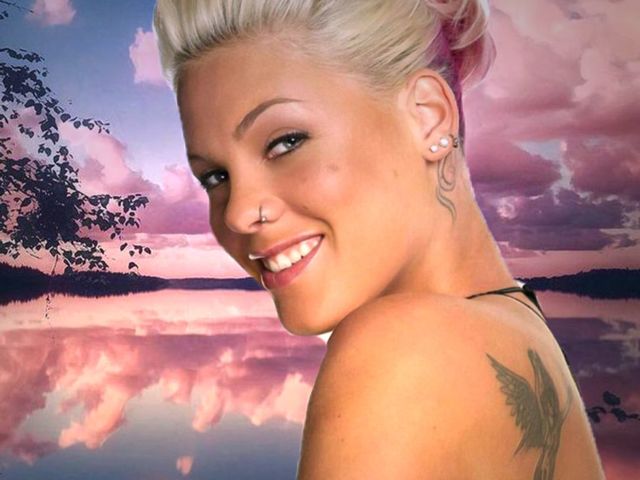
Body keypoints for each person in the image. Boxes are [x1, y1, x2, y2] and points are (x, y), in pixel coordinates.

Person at [153, 1, 605, 478]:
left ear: (428, 117)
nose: (239, 213)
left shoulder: (401, 350)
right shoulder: (518, 322)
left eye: (286, 142)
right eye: (216, 177)